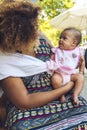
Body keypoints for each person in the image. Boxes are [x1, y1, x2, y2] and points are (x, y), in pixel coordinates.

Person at [0, 1, 87, 130]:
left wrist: (74, 63)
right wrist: (65, 88)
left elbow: (58, 53)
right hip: (30, 106)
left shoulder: (40, 38)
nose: (37, 30)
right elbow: (25, 102)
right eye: (33, 27)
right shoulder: (5, 59)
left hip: (59, 93)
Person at [50, 27, 85, 105]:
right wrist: (51, 63)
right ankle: (61, 96)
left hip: (71, 75)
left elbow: (82, 62)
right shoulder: (56, 50)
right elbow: (52, 59)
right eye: (60, 38)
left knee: (81, 78)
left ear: (73, 43)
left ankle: (75, 94)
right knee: (54, 79)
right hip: (59, 74)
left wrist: (81, 71)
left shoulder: (78, 51)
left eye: (64, 38)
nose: (60, 40)